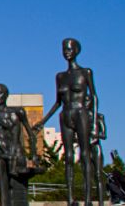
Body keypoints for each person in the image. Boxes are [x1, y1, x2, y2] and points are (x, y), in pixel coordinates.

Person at [34, 38, 100, 205]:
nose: (66, 51)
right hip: (65, 115)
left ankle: (87, 198)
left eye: (69, 48)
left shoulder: (86, 73)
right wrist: (43, 121)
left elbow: (93, 97)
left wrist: (93, 124)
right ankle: (71, 198)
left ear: (77, 50)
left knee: (84, 154)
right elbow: (58, 102)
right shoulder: (60, 77)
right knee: (68, 156)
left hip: (81, 113)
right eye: (64, 48)